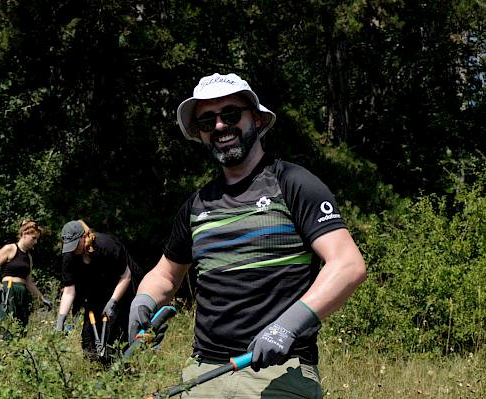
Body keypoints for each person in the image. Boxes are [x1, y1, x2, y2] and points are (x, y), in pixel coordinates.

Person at [127, 73, 367, 398]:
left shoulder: (293, 183)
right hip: (203, 374)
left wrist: (287, 327)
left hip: (280, 372)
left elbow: (348, 265)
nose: (220, 127)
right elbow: (167, 275)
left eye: (230, 114)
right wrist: (143, 301)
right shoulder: (197, 205)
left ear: (254, 117)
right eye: (207, 121)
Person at [57, 220, 143, 362]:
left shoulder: (107, 245)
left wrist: (113, 302)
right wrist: (61, 320)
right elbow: (69, 290)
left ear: (84, 237)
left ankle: (121, 370)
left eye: (75, 244)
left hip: (121, 288)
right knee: (89, 340)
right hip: (95, 291)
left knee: (114, 333)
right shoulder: (69, 256)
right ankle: (94, 370)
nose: (72, 250)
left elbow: (126, 276)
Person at [0, 219, 52, 337]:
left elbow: (29, 281)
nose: (35, 242)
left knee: (20, 328)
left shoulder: (29, 257)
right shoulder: (10, 248)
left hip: (22, 293)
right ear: (24, 234)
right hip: (8, 291)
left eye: (37, 238)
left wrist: (41, 298)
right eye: (34, 238)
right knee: (5, 326)